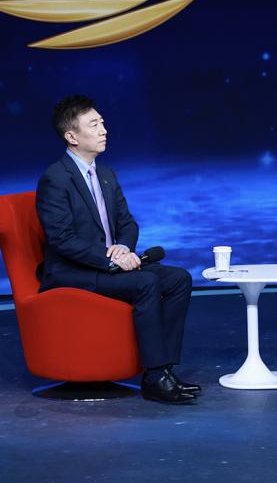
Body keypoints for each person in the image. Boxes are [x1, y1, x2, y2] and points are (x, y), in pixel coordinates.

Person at [35, 95, 199, 405]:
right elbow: (61, 239)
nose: (104, 130)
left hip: (109, 263)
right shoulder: (55, 179)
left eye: (102, 122)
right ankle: (155, 376)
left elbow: (127, 223)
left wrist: (122, 248)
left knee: (179, 279)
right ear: (72, 136)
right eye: (94, 125)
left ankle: (164, 369)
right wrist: (109, 260)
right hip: (74, 272)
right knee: (146, 282)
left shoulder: (107, 175)